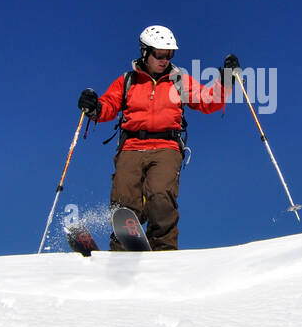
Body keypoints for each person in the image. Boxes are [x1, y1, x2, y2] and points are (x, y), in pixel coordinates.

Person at [78, 25, 239, 250]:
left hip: (166, 146)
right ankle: (122, 250)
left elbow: (207, 100)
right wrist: (94, 107)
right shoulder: (128, 81)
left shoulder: (179, 80)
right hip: (132, 146)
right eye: (160, 54)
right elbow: (109, 106)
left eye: (169, 54)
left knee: (160, 196)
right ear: (145, 52)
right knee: (124, 200)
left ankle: (164, 249)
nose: (165, 59)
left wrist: (226, 80)